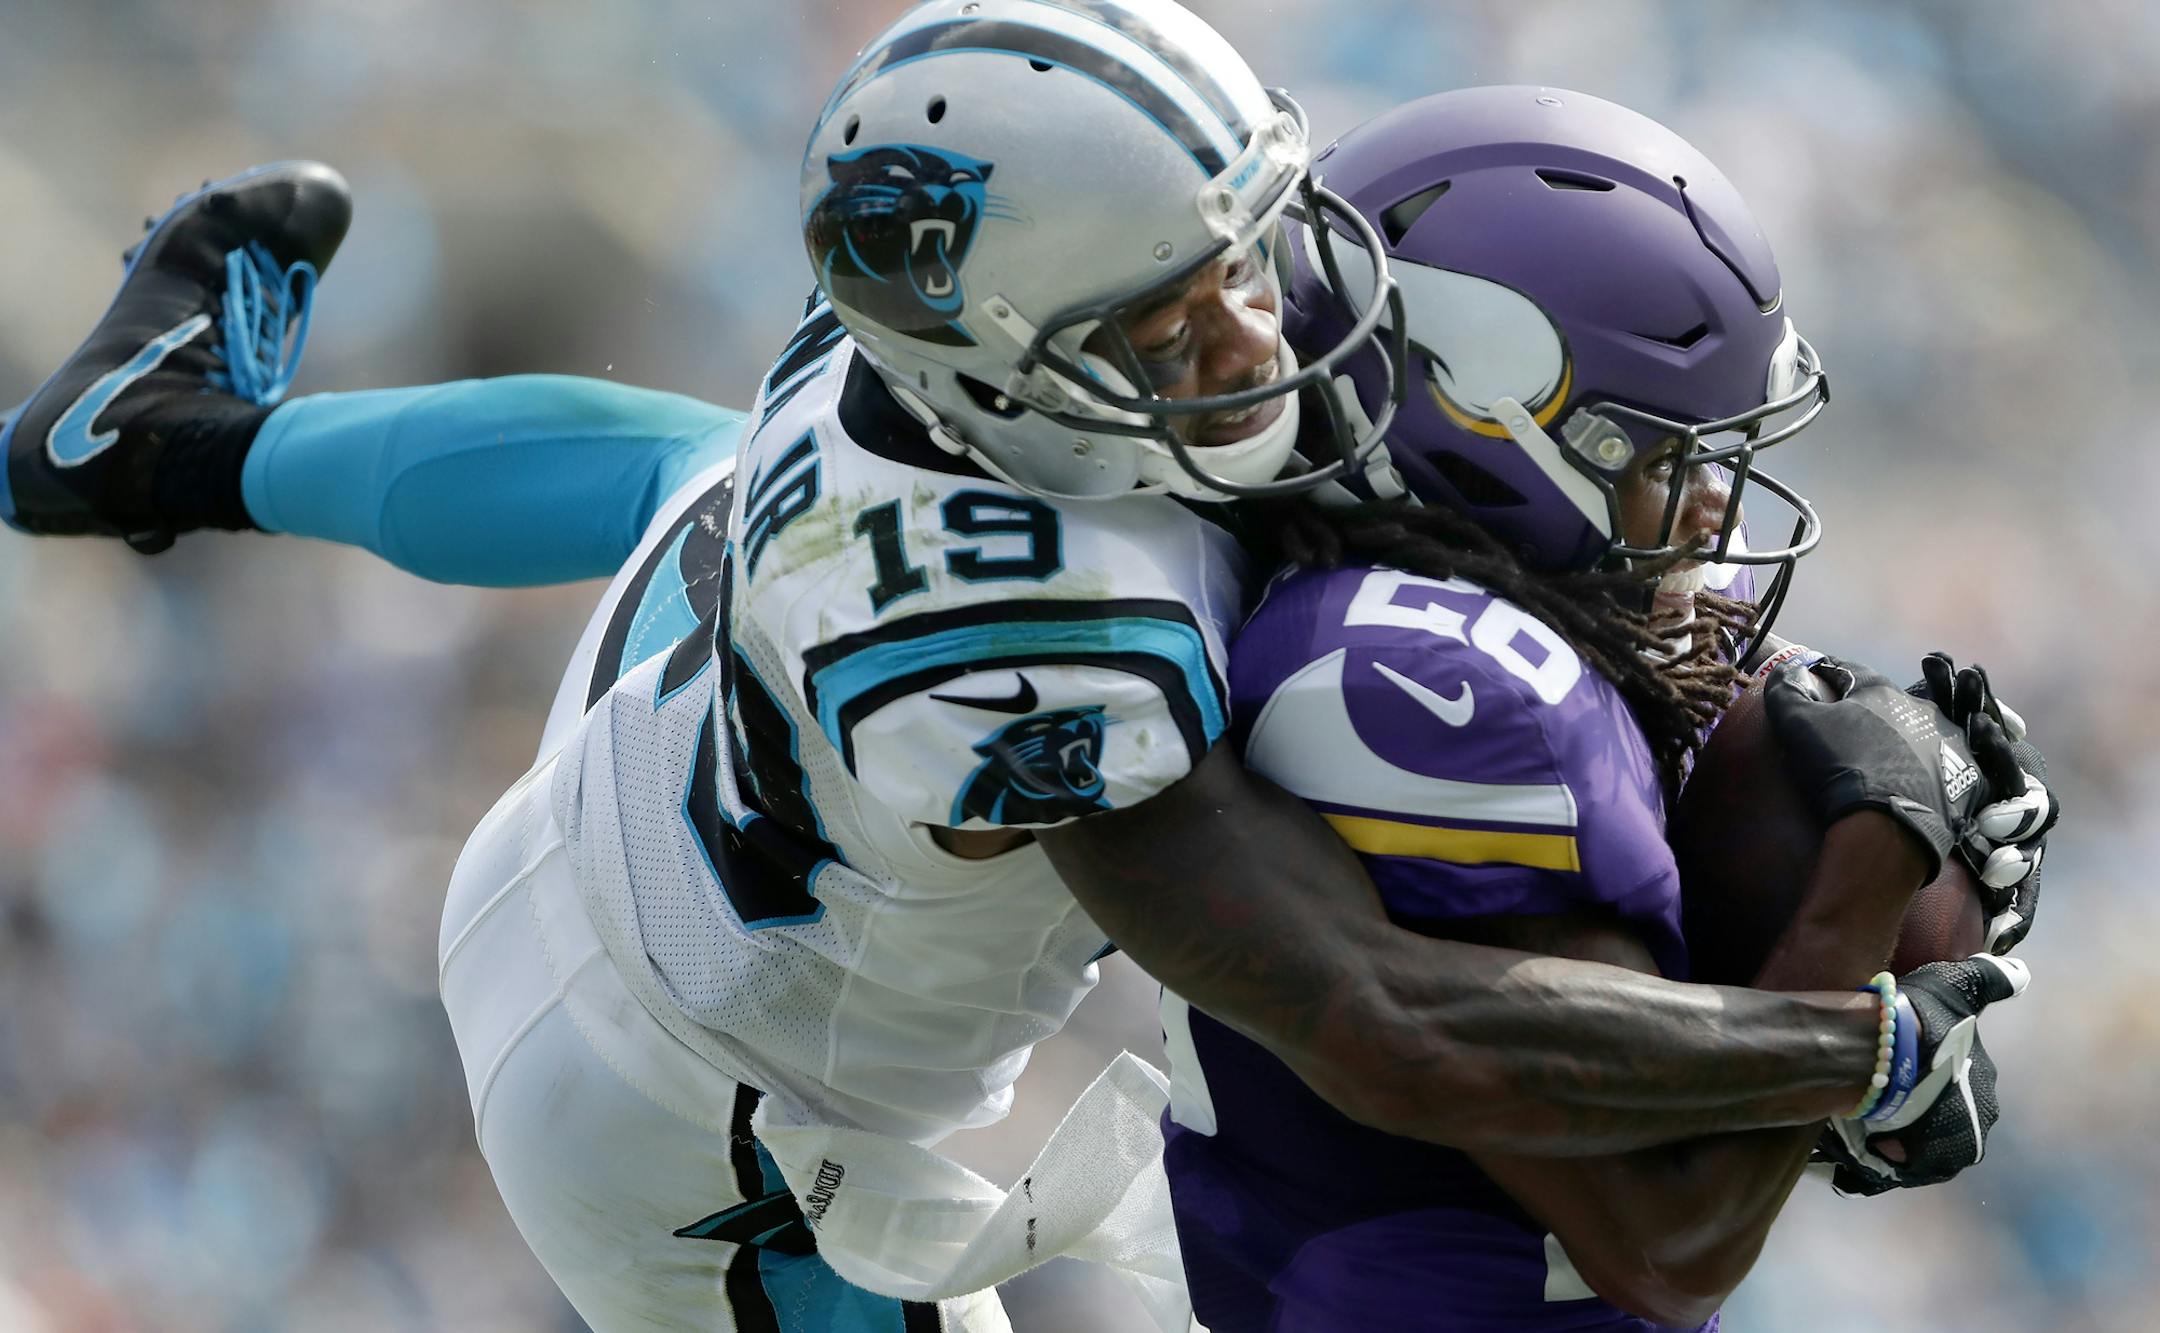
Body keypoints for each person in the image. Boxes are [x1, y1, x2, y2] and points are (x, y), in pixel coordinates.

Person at [0, 3, 2053, 1328]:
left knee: (686, 468)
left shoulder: (926, 341)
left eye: (1250, 266)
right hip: (711, 1143)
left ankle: (167, 441)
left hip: (612, 799)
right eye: (1182, 335)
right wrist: (1859, 1042)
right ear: (1019, 363)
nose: (1262, 348)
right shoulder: (1054, 631)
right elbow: (1385, 1025)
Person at [1159, 87, 2055, 1333]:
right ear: (1477, 412)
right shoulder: (1418, 687)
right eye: (1663, 453)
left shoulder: (1547, 590)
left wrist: (1927, 802)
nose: (1711, 507)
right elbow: (1668, 1244)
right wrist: (1871, 879)